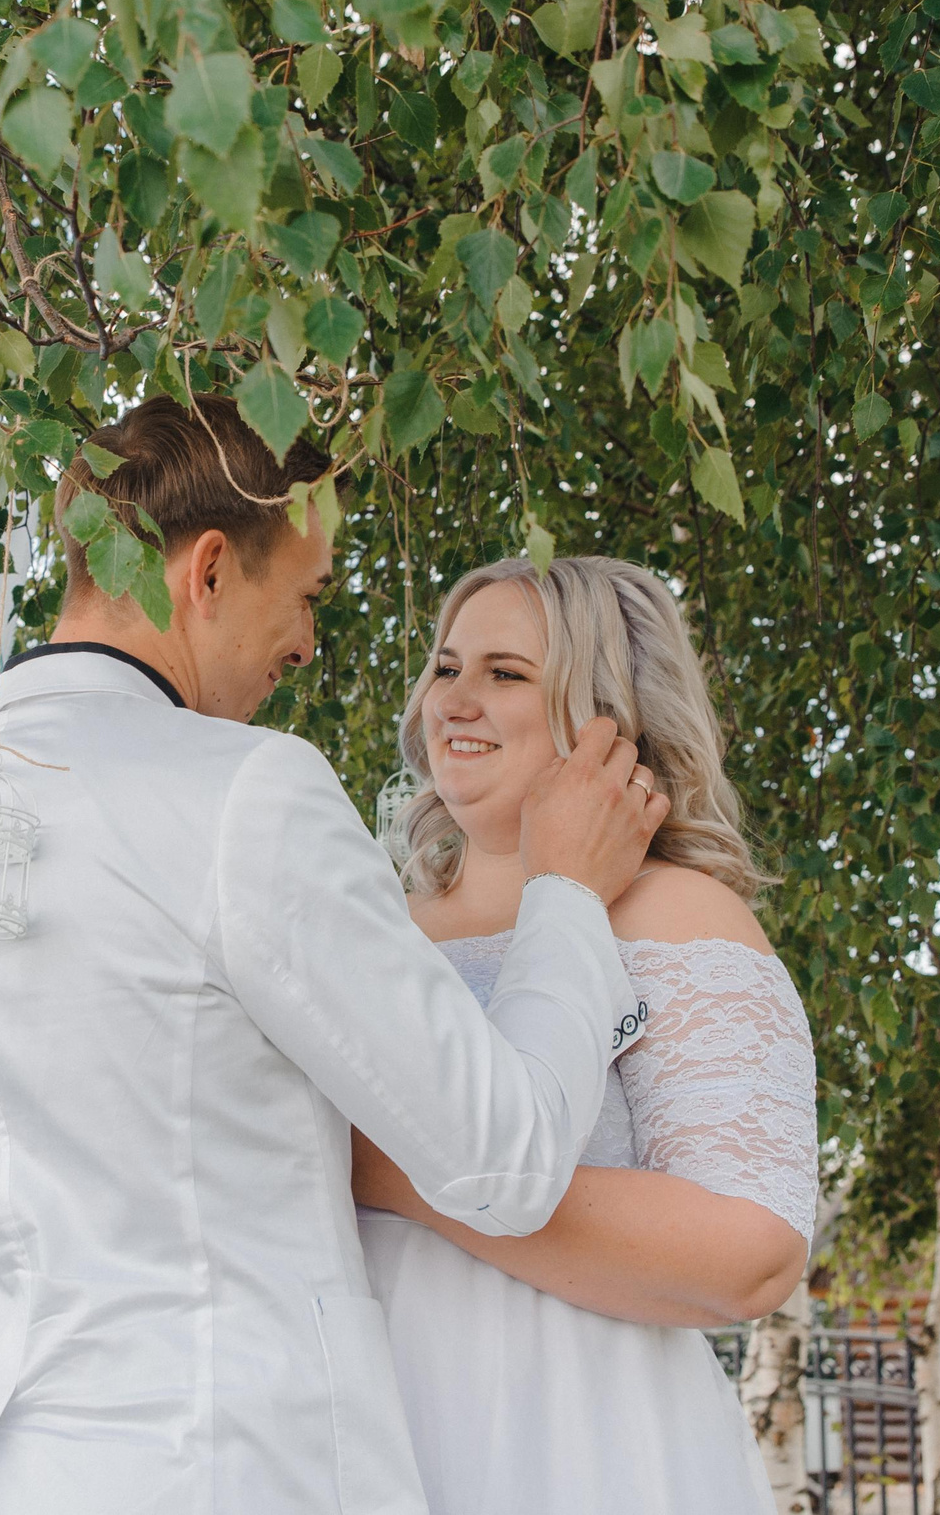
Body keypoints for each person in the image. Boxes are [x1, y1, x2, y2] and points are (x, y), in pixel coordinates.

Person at [0, 396, 668, 1515]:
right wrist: (564, 888)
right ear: (208, 570)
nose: (308, 643)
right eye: (306, 594)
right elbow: (503, 1160)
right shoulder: (246, 791)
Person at [352, 554, 820, 1515]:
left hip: (579, 1441)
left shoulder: (674, 913)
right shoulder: (368, 924)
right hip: (363, 1430)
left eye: (507, 673)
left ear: (604, 717)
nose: (455, 701)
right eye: (446, 667)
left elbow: (753, 1250)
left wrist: (397, 1163)